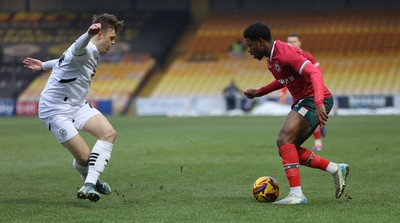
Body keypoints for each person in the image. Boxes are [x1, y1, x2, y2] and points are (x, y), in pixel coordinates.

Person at [242, 23, 350, 205]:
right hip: (303, 101)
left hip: (312, 99)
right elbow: (282, 80)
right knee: (287, 149)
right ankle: (335, 169)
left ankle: (297, 195)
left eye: (250, 45)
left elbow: (314, 72)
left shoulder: (285, 54)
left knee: (284, 140)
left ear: (260, 42)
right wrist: (259, 92)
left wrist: (318, 102)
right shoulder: (272, 58)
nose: (249, 50)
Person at [22, 13, 124, 202]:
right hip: (54, 110)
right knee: (84, 158)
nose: (114, 43)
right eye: (111, 38)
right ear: (99, 35)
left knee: (108, 133)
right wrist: (87, 34)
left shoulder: (91, 53)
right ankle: (87, 176)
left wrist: (44, 65)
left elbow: (63, 60)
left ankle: (89, 183)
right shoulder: (85, 48)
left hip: (77, 104)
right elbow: (78, 47)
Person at [286, 33, 325, 151]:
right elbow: (285, 77)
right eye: (289, 42)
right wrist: (283, 92)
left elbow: (318, 72)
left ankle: (317, 143)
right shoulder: (286, 58)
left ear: (300, 43)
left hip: (310, 94)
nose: (292, 44)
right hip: (298, 95)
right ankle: (318, 128)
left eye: (294, 41)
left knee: (307, 118)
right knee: (304, 119)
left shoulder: (307, 56)